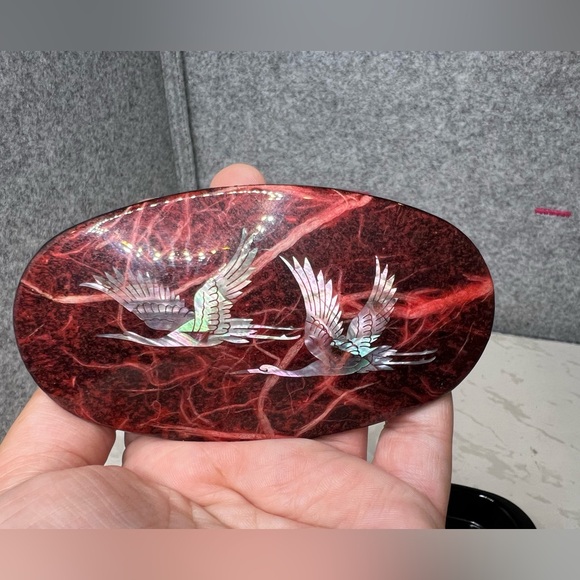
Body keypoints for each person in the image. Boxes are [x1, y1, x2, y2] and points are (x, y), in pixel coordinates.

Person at [0, 164, 453, 528]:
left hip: (243, 331)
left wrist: (243, 264)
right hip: (249, 340)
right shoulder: (175, 328)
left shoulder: (200, 322)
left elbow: (231, 304)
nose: (268, 370)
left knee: (296, 335)